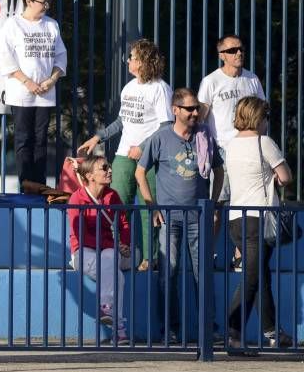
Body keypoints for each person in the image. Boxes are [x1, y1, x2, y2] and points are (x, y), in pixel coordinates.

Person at [135, 88, 223, 343]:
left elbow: (219, 170)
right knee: (167, 272)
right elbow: (140, 173)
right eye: (189, 108)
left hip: (199, 216)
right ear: (176, 110)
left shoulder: (204, 135)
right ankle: (170, 329)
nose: (195, 112)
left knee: (202, 273)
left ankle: (209, 329)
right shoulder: (160, 138)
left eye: (196, 108)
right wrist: (151, 206)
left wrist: (213, 204)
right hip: (169, 217)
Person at [78, 39, 172, 271]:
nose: (128, 60)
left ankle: (151, 258)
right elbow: (122, 121)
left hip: (149, 157)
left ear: (144, 61)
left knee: (149, 208)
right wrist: (98, 137)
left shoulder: (160, 88)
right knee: (117, 207)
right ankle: (121, 253)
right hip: (122, 155)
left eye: (132, 57)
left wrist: (143, 146)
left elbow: (166, 125)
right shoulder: (129, 88)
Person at [224, 97, 293, 349]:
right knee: (252, 277)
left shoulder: (230, 145)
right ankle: (233, 331)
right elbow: (286, 177)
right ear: (258, 118)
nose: (267, 122)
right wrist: (273, 178)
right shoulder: (264, 143)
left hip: (235, 218)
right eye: (266, 117)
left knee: (260, 274)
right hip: (260, 218)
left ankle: (272, 330)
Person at [197, 34, 266, 270]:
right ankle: (207, 255)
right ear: (221, 55)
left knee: (245, 206)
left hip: (249, 151)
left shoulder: (252, 80)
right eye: (233, 50)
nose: (239, 53)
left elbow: (262, 114)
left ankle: (240, 256)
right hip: (223, 153)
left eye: (241, 49)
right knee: (217, 206)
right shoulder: (211, 81)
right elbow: (201, 117)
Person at [0, 0, 67, 187]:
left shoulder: (51, 25)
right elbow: (5, 58)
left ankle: (40, 185)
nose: (46, 6)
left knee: (41, 141)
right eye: (42, 1)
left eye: (48, 2)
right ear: (29, 0)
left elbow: (61, 56)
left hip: (45, 93)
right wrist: (27, 82)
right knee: (23, 140)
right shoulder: (12, 25)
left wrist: (52, 79)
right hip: (22, 93)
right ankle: (26, 184)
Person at [67, 154, 132, 343]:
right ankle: (119, 329)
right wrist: (111, 244)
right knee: (115, 274)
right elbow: (80, 235)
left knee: (110, 258)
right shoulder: (76, 198)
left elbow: (124, 224)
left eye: (109, 166)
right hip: (84, 251)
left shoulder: (113, 196)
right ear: (89, 176)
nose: (109, 170)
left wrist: (125, 244)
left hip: (108, 250)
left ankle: (106, 308)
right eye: (104, 168)